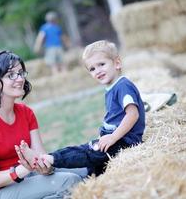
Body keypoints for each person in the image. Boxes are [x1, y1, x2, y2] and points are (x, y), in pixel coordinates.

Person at [0, 50, 87, 199]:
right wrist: (23, 169)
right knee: (70, 181)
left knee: (85, 171)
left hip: (28, 176)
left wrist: (44, 166)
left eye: (21, 73)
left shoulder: (26, 112)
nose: (20, 79)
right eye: (11, 75)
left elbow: (41, 157)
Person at [17, 40, 146, 176]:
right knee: (91, 160)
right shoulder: (112, 87)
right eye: (92, 69)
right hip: (114, 138)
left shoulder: (123, 86)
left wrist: (112, 137)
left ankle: (49, 159)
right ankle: (52, 161)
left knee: (87, 153)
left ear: (117, 63)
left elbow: (133, 114)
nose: (98, 71)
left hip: (124, 141)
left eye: (101, 64)